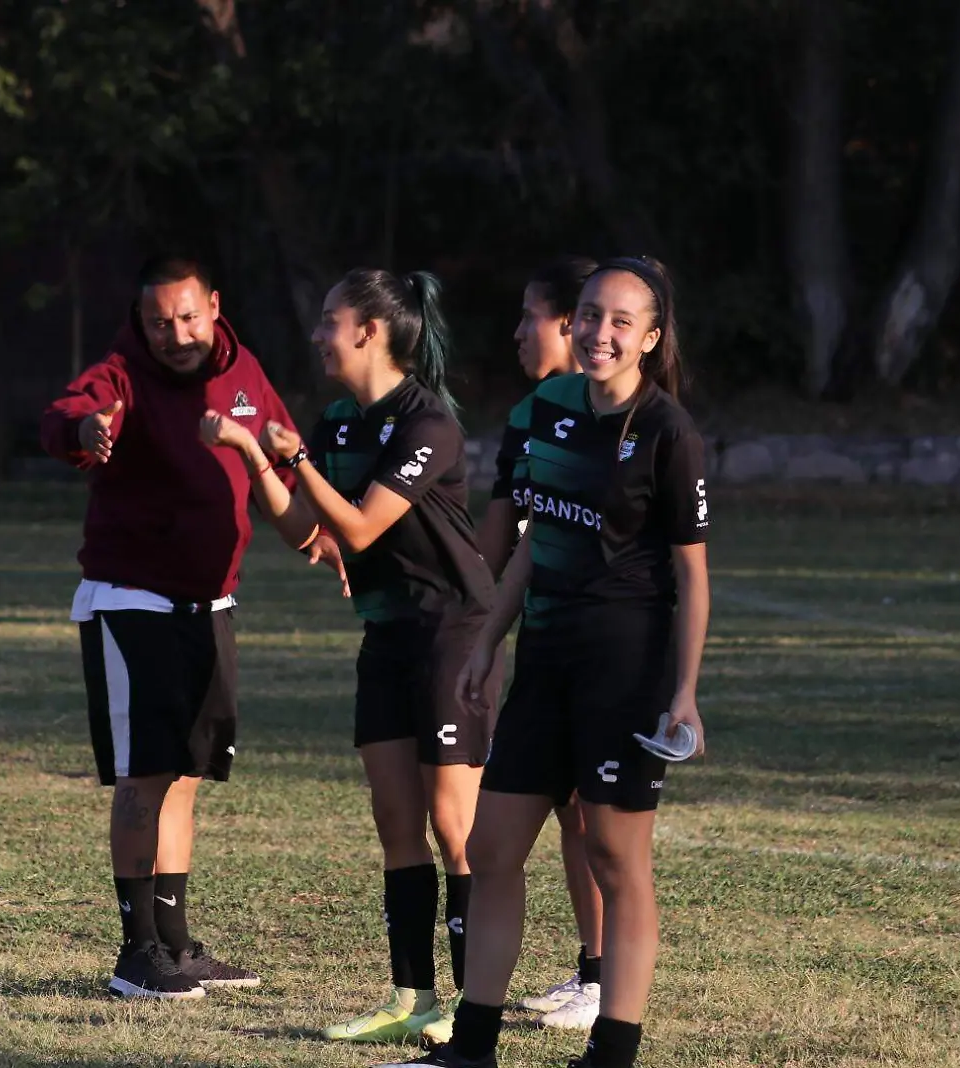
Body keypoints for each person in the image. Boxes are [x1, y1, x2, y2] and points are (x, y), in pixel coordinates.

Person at [381, 256, 710, 1068]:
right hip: (546, 663)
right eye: (591, 315)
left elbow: (694, 577)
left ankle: (613, 1051)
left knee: (614, 856)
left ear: (650, 339)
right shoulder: (546, 412)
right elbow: (531, 544)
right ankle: (473, 1046)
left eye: (621, 321)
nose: (601, 332)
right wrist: (489, 641)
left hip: (625, 670)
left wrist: (685, 693)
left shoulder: (669, 432)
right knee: (493, 848)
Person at [201, 268, 500, 1045]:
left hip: (451, 631)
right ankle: (413, 999)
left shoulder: (427, 423)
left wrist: (292, 459)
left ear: (370, 331)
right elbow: (310, 530)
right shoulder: (337, 423)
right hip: (388, 631)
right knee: (395, 818)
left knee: (452, 825)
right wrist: (250, 456)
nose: (317, 333)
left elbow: (362, 528)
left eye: (330, 320)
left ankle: (474, 1009)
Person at [40, 255, 340, 1000]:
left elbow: (281, 463)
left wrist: (319, 535)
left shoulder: (244, 376)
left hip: (212, 607)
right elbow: (62, 417)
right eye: (157, 322)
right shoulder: (121, 376)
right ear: (140, 323)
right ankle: (135, 951)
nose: (174, 334)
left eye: (186, 317)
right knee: (146, 775)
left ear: (213, 306)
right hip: (131, 603)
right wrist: (86, 427)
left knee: (186, 777)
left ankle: (175, 941)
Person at [452, 256, 608, 1041]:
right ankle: (591, 973)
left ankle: (603, 979)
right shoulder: (528, 416)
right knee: (555, 820)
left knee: (588, 823)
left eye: (530, 318)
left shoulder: (628, 420)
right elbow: (503, 531)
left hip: (597, 654)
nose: (518, 332)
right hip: (539, 639)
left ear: (572, 326)